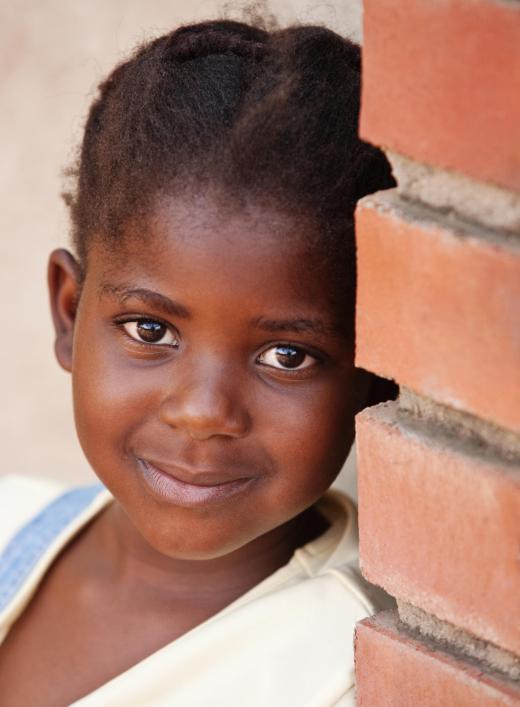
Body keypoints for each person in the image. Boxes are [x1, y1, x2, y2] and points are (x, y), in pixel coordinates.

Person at [0, 19, 395, 706]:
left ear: (377, 377)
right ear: (69, 313)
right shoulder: (10, 518)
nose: (203, 410)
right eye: (150, 329)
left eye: (287, 355)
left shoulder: (350, 675)